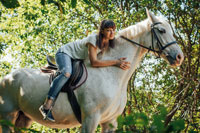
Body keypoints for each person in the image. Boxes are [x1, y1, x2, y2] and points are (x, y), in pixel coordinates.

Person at [39, 20, 130, 122]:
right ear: (102, 31)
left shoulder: (108, 42)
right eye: (108, 30)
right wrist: (116, 62)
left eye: (113, 30)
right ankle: (46, 105)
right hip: (65, 53)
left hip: (77, 58)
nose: (112, 33)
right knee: (66, 73)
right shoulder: (94, 40)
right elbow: (94, 62)